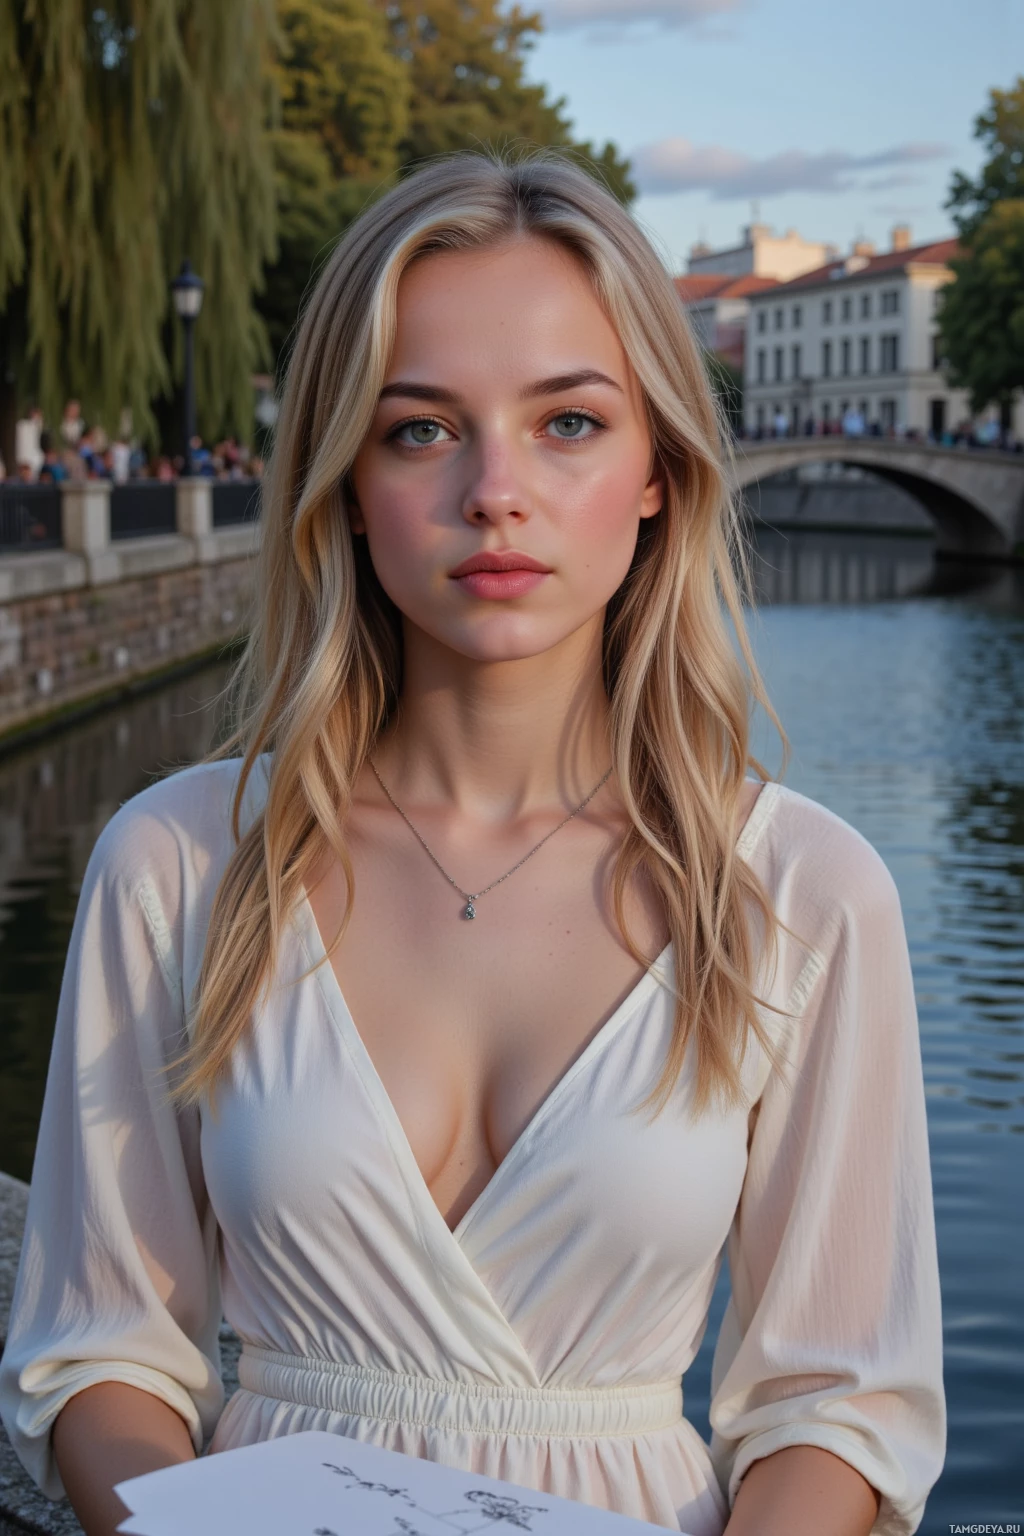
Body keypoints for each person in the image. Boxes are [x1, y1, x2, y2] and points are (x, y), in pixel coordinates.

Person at [0, 154, 945, 1536]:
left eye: (568, 421)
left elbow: (839, 1408)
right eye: (420, 430)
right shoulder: (180, 865)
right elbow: (102, 1351)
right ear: (342, 477)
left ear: (658, 477)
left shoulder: (800, 892)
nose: (495, 491)